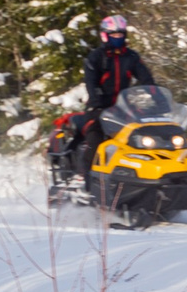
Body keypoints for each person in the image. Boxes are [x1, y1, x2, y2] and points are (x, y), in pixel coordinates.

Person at [57, 14, 156, 180]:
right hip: (98, 109)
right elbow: (91, 82)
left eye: (120, 35)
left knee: (144, 137)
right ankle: (83, 178)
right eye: (114, 35)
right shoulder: (96, 57)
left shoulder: (131, 57)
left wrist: (154, 95)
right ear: (105, 35)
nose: (118, 38)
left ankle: (145, 176)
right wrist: (97, 100)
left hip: (124, 109)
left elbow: (146, 79)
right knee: (95, 138)